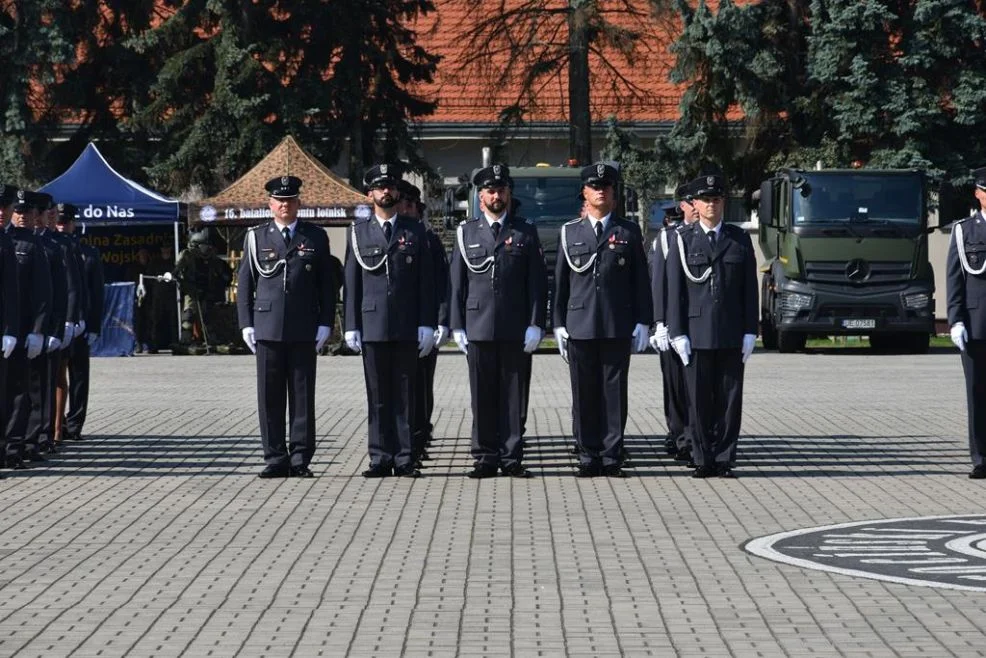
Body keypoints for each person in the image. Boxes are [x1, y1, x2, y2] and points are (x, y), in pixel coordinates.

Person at [553, 162, 652, 478]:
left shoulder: (628, 231)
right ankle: (587, 455)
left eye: (606, 187)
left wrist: (643, 321)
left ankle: (611, 456)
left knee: (614, 394)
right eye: (594, 187)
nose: (600, 191)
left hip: (616, 324)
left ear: (613, 193)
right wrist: (556, 324)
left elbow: (641, 281)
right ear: (584, 191)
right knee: (584, 393)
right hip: (580, 325)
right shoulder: (570, 232)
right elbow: (561, 284)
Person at [450, 163, 547, 478]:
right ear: (481, 198)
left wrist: (536, 323)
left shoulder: (524, 231)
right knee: (482, 394)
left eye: (501, 190)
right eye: (490, 191)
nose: (496, 195)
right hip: (478, 325)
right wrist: (456, 325)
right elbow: (457, 284)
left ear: (509, 194)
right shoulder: (466, 232)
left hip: (515, 326)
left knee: (514, 395)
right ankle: (485, 457)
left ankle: (512, 457)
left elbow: (537, 283)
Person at [237, 176, 336, 478]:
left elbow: (327, 286)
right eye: (279, 200)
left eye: (290, 200)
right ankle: (275, 457)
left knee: (302, 396)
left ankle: (300, 458)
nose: (285, 205)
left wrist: (325, 323)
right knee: (270, 396)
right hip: (266, 327)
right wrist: (245, 324)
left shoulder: (315, 236)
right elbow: (245, 283)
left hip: (304, 327)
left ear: (298, 203)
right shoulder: (256, 237)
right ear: (270, 204)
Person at [344, 163, 435, 478]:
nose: (386, 192)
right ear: (370, 193)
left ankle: (405, 457)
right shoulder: (359, 232)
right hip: (372, 325)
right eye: (380, 187)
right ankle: (380, 457)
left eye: (391, 187)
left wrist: (427, 323)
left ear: (397, 192)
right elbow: (352, 281)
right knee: (378, 396)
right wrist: (351, 324)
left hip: (407, 325)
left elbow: (427, 282)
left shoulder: (416, 232)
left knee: (406, 396)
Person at [666, 173, 758, 478]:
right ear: (695, 204)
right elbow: (675, 290)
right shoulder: (682, 239)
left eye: (716, 200)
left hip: (731, 332)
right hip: (695, 333)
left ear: (723, 203)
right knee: (699, 400)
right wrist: (676, 331)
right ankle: (702, 458)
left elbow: (749, 289)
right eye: (705, 200)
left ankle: (724, 458)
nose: (711, 205)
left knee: (729, 401)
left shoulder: (738, 239)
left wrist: (750, 330)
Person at [397, 180, 449, 467]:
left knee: (420, 385)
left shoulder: (428, 239)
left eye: (409, 203)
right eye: (400, 201)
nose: (403, 207)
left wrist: (441, 321)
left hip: (424, 325)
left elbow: (441, 284)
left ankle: (418, 436)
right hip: (396, 326)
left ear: (418, 208)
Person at [3, 190, 53, 470]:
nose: (20, 216)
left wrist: (38, 330)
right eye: (17, 211)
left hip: (20, 330)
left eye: (24, 212)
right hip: (6, 328)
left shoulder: (33, 245)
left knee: (20, 391)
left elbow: (42, 292)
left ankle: (15, 446)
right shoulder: (5, 239)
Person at [650, 183, 699, 463]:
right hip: (672, 322)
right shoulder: (669, 238)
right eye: (692, 202)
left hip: (699, 322)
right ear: (683, 206)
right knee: (676, 385)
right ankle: (680, 436)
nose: (697, 206)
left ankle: (696, 436)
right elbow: (659, 282)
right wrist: (659, 322)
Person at [25, 192, 73, 459]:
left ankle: (43, 434)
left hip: (42, 327)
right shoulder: (14, 241)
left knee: (43, 383)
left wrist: (61, 323)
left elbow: (60, 290)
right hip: (18, 327)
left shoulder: (56, 246)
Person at [946, 166, 986, 479]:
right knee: (977, 391)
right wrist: (956, 320)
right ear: (978, 193)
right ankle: (981, 457)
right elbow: (955, 279)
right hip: (976, 323)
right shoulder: (965, 231)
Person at [55, 204, 104, 443]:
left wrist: (94, 326)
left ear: (74, 223)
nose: (61, 225)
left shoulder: (88, 252)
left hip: (81, 325)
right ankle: (56, 424)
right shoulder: (51, 248)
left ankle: (74, 425)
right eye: (59, 221)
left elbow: (96, 294)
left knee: (79, 377)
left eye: (65, 221)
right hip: (56, 323)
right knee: (54, 378)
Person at [175, 229, 232, 349]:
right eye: (203, 246)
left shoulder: (210, 257)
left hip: (206, 290)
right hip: (191, 290)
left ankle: (211, 340)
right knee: (189, 315)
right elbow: (178, 271)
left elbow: (221, 271)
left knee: (208, 316)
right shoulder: (187, 255)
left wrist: (223, 279)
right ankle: (185, 340)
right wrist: (185, 284)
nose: (205, 249)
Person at [0, 185, 22, 475]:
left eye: (5, 206)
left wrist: (9, 329)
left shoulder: (5, 244)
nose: (2, 212)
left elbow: (10, 292)